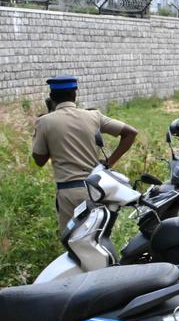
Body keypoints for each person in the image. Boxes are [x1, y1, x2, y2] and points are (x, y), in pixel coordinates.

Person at [31, 75, 138, 232]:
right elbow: (131, 133)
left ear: (52, 97)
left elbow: (39, 160)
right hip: (96, 190)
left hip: (69, 192)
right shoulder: (94, 116)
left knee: (72, 239)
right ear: (74, 94)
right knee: (97, 236)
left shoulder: (45, 122)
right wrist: (109, 162)